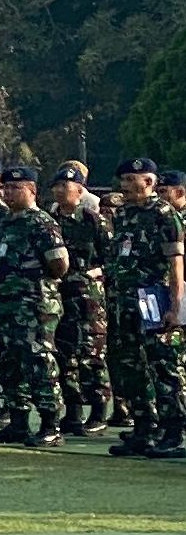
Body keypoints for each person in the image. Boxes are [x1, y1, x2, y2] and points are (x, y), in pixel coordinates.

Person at [0, 158, 71, 449]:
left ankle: (50, 423)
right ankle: (18, 421)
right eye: (5, 188)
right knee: (9, 363)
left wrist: (30, 278)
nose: (8, 193)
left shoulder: (41, 223)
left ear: (31, 190)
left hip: (35, 306)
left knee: (39, 362)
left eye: (15, 188)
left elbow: (60, 264)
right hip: (7, 307)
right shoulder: (7, 222)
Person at [112, 160, 185, 460]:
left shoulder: (165, 215)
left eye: (132, 179)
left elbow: (176, 265)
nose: (125, 185)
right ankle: (144, 427)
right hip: (124, 301)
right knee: (129, 366)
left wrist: (176, 307)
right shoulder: (123, 214)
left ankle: (173, 430)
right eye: (123, 180)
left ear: (149, 182)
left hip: (154, 300)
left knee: (163, 365)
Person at [50, 166, 114, 435]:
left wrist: (94, 273)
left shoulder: (93, 220)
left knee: (91, 354)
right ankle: (73, 411)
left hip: (89, 298)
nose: (61, 190)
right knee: (64, 355)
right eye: (57, 186)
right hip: (60, 295)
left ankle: (99, 411)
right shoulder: (50, 219)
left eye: (67, 186)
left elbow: (112, 258)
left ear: (79, 190)